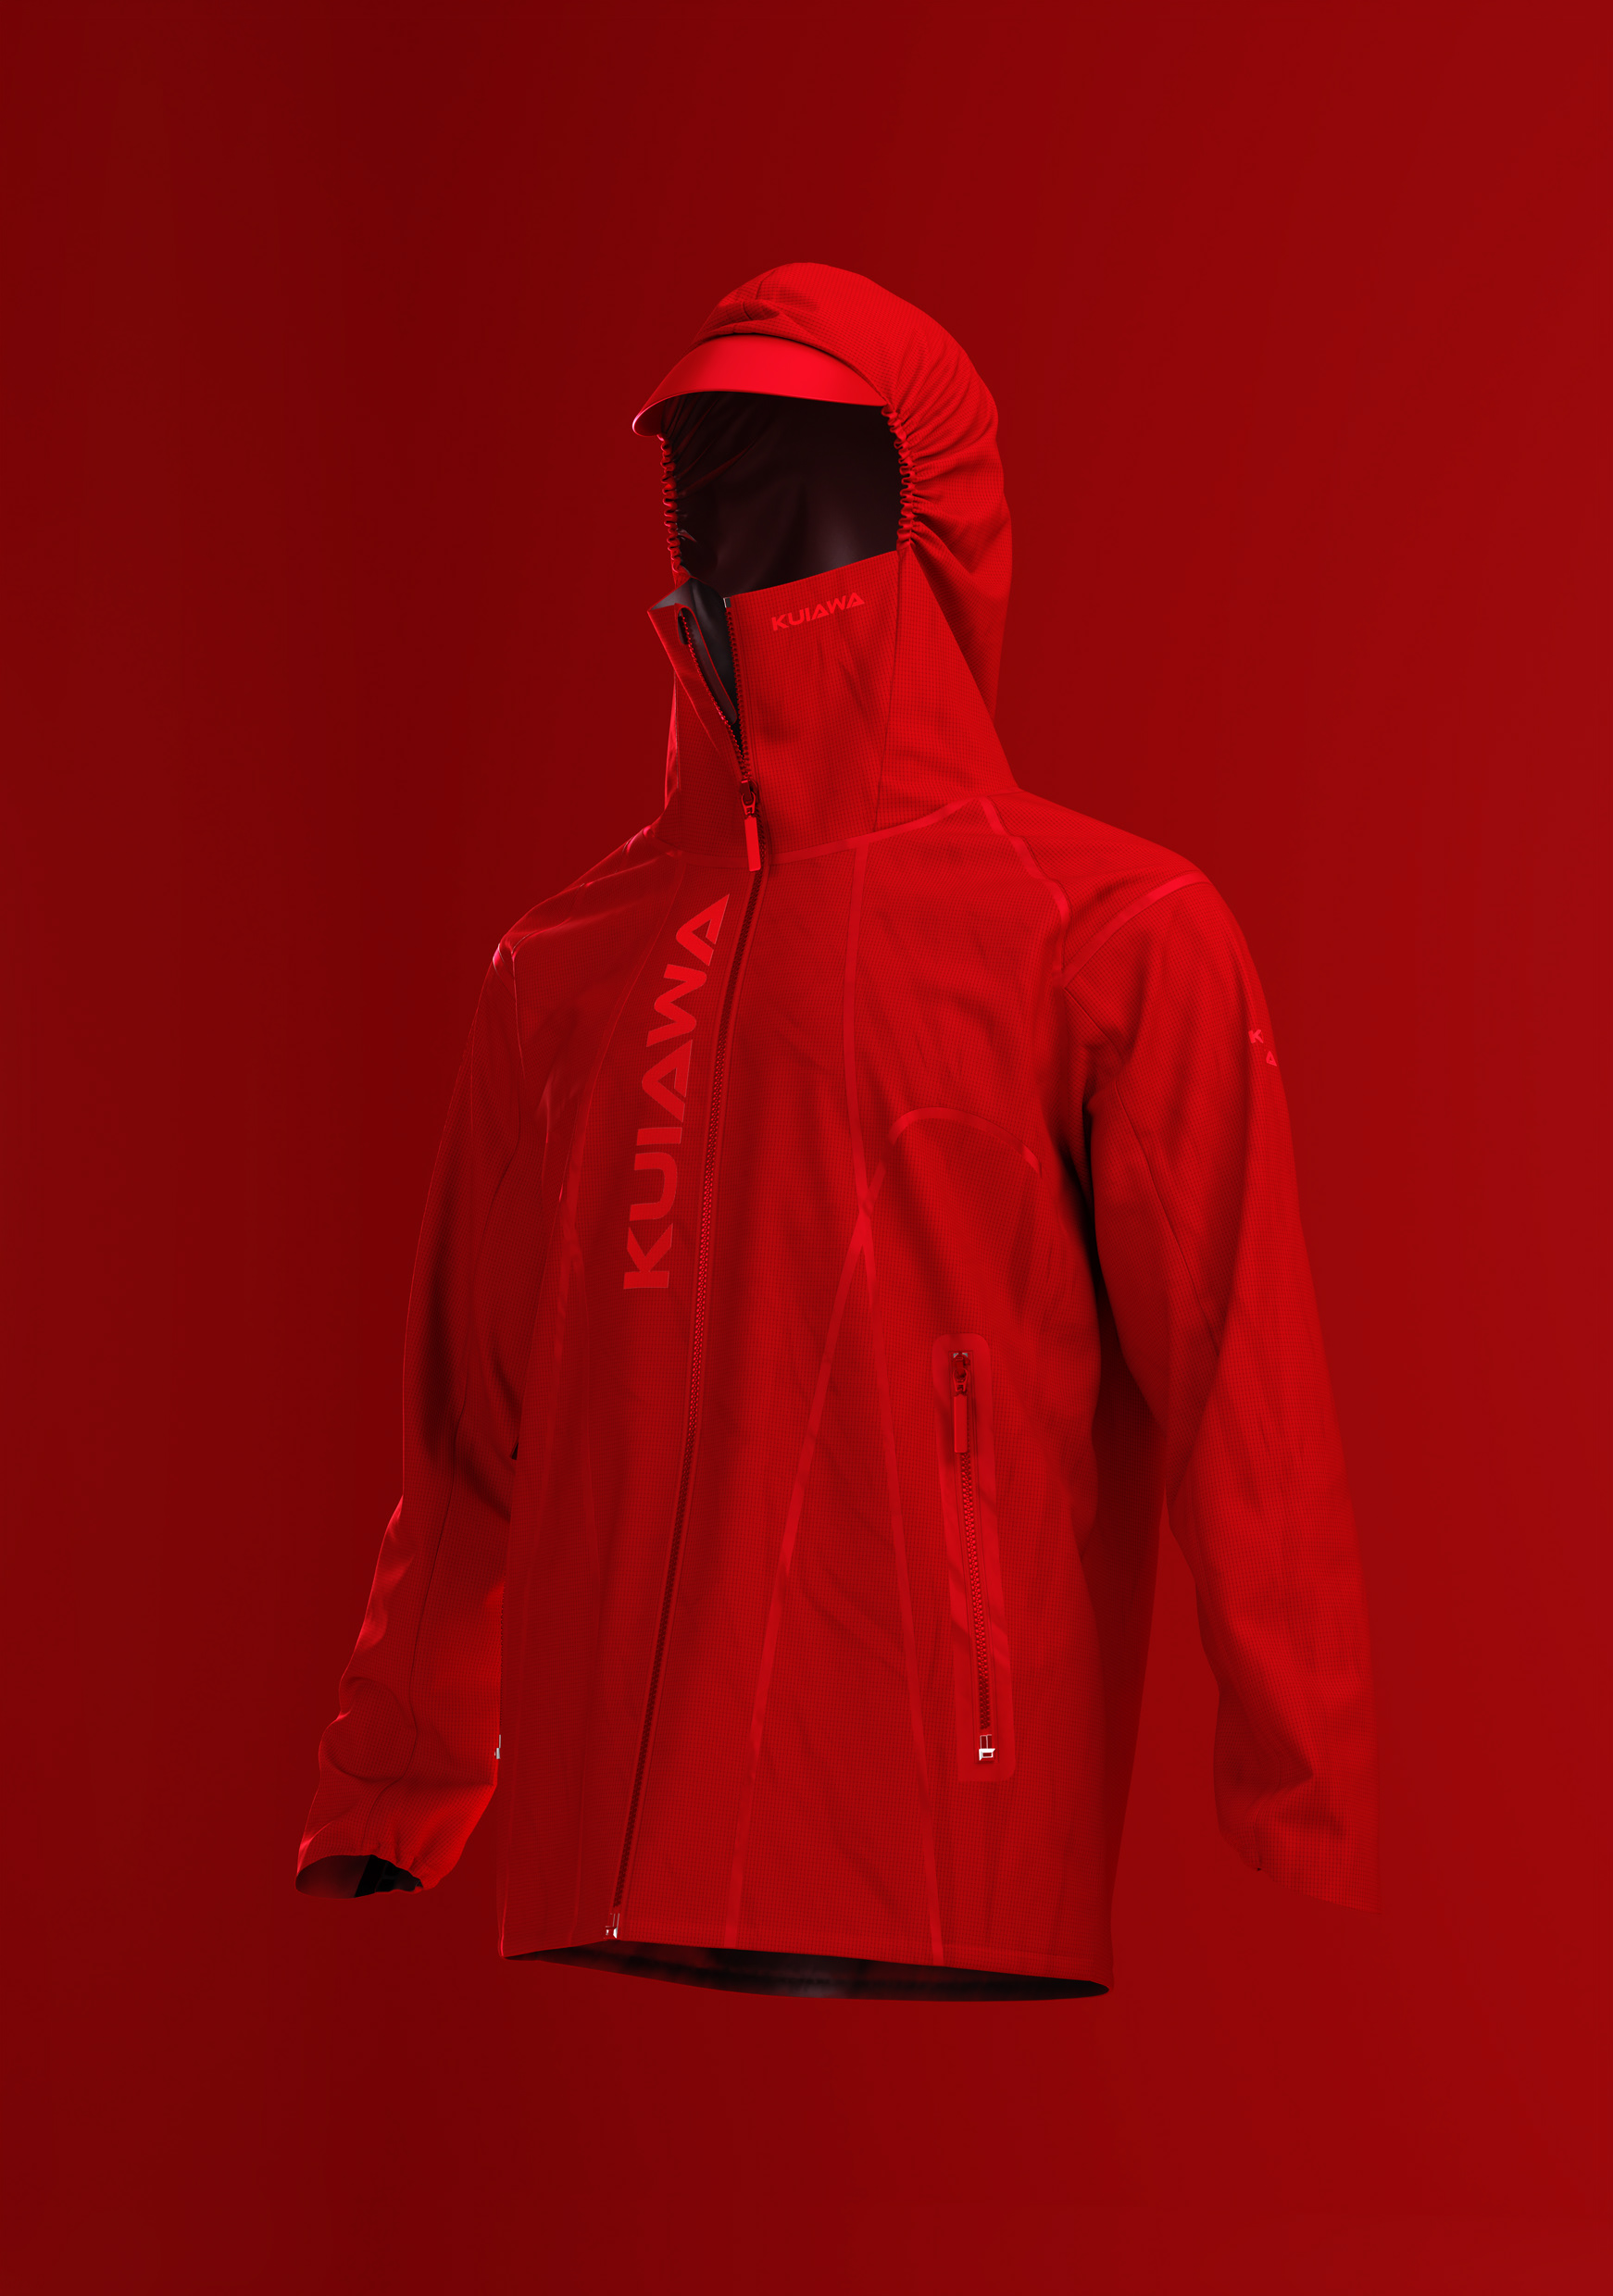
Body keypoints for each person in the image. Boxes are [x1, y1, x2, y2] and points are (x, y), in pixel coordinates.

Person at [297, 264, 1377, 1997]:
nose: (724, 513)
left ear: (928, 514)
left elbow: (1244, 1399)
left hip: (939, 1854)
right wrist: (389, 1785)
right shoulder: (563, 961)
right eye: (700, 466)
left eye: (793, 462)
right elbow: (466, 1424)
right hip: (604, 1874)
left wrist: (1302, 1811)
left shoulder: (1105, 930)